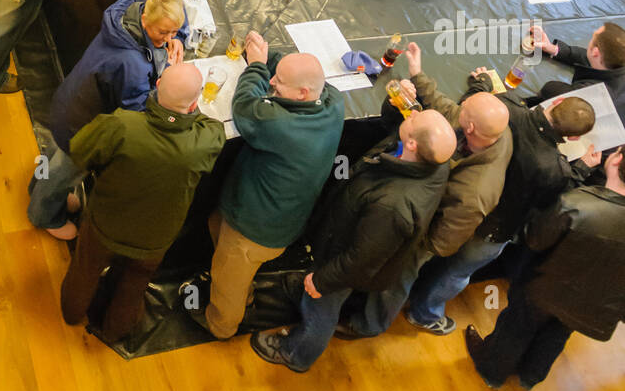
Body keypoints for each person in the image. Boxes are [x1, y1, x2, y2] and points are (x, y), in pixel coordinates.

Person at [250, 109, 456, 372]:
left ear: (413, 144)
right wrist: (396, 107)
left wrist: (323, 280)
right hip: (346, 232)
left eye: (415, 119)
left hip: (342, 262)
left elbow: (361, 260)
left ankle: (296, 353)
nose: (412, 113)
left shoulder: (393, 207)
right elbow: (396, 124)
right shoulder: (431, 161)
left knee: (321, 308)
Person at [339, 41, 512, 338]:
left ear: (469, 129)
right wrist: (418, 76)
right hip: (429, 204)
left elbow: (445, 241)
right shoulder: (489, 130)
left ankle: (369, 325)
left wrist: (413, 244)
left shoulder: (477, 190)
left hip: (426, 234)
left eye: (465, 110)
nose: (459, 107)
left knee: (397, 278)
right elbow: (450, 110)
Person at [183, 30, 344, 341]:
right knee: (222, 242)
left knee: (228, 280)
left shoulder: (278, 124)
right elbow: (301, 74)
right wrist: (269, 57)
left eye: (278, 82)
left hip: (252, 230)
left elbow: (244, 107)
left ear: (301, 94)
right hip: (282, 218)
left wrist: (257, 67)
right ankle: (241, 290)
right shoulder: (332, 102)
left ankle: (221, 324)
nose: (272, 83)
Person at [405, 81, 599, 332]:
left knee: (418, 257)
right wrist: (581, 168)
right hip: (492, 229)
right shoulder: (554, 169)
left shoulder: (507, 108)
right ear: (574, 137)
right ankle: (424, 314)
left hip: (456, 204)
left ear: (556, 102)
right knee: (455, 273)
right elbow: (549, 202)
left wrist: (480, 84)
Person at [60, 64, 225, 343]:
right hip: (154, 239)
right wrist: (187, 113)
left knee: (85, 270)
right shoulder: (202, 141)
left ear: (157, 84)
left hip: (105, 226)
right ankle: (115, 331)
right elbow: (215, 128)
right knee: (133, 286)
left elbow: (78, 150)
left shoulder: (121, 125)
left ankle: (71, 313)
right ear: (194, 103)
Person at [31, 0, 188, 238]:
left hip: (69, 101)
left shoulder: (131, 8)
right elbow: (135, 109)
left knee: (50, 159)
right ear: (146, 20)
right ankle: (43, 215)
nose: (168, 39)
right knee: (63, 173)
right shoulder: (132, 65)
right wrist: (167, 78)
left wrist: (181, 35)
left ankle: (37, 187)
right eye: (163, 32)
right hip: (80, 129)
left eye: (173, 31)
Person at [465, 145, 625, 390]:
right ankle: (531, 376)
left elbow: (535, 238)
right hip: (593, 304)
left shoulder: (578, 204)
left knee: (517, 327)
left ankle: (492, 370)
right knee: (557, 334)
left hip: (545, 287)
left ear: (616, 161)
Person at [529, 22, 625, 125]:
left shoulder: (593, 94)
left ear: (596, 52)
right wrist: (553, 49)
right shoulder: (616, 62)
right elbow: (587, 57)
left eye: (593, 37)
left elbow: (551, 91)